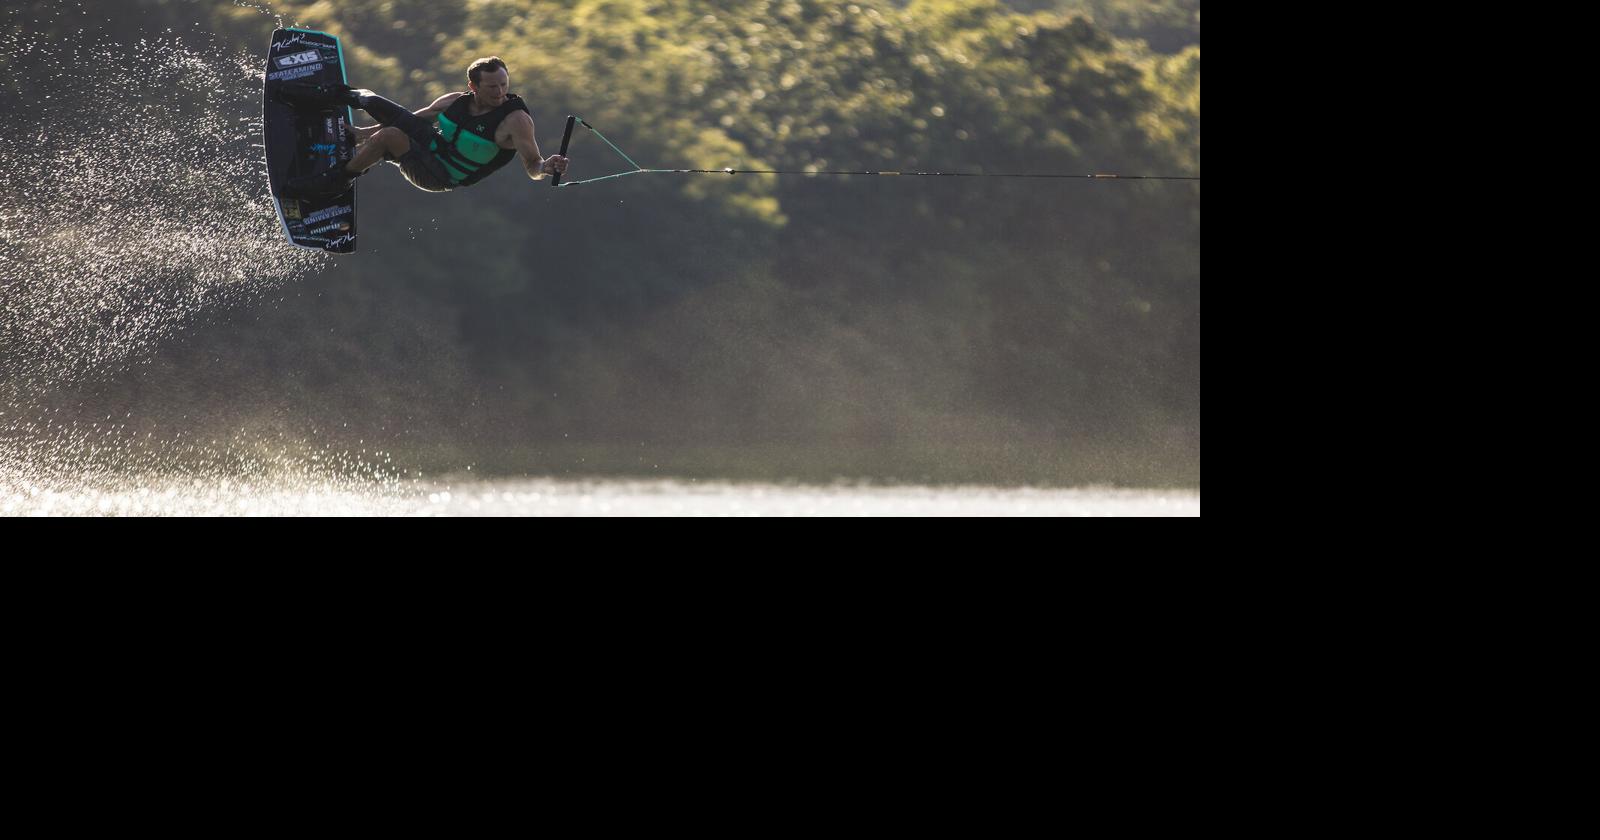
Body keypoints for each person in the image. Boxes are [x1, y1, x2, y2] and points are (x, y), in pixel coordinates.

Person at [278, 56, 567, 198]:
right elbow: (414, 120)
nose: (500, 92)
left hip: (440, 175)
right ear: (473, 86)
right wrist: (363, 134)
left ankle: (337, 181)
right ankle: (321, 96)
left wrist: (546, 167)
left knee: (391, 136)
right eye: (492, 87)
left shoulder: (515, 120)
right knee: (369, 98)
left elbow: (532, 165)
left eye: (504, 85)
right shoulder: (455, 101)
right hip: (431, 147)